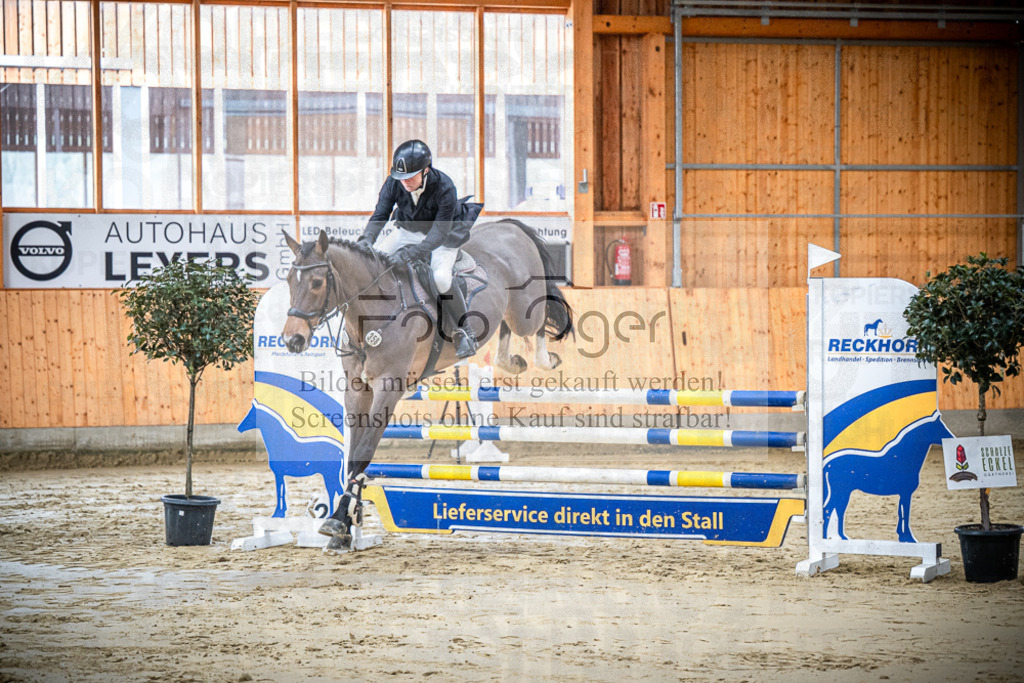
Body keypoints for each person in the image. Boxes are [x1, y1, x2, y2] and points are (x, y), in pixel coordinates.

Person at [357, 139, 483, 358]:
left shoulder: (445, 186)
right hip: (409, 230)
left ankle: (465, 332)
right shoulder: (394, 182)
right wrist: (366, 239)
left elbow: (438, 235)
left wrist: (409, 254)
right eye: (401, 177)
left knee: (442, 278)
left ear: (426, 170)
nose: (404, 181)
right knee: (374, 264)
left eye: (410, 176)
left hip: (443, 236)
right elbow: (380, 214)